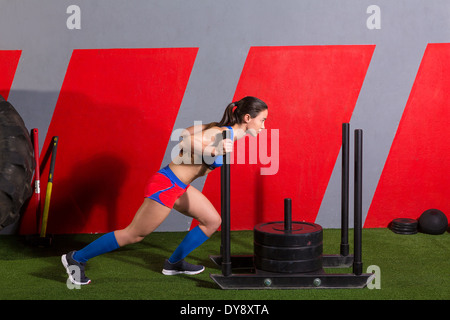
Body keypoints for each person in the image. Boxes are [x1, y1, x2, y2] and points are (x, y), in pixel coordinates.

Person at [61, 96, 268, 285]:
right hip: (167, 184)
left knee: (212, 221)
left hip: (180, 186)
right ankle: (75, 258)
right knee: (134, 234)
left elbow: (187, 132)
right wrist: (213, 150)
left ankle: (174, 263)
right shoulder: (220, 133)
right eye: (262, 120)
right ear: (248, 118)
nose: (264, 126)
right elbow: (185, 140)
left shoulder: (221, 130)